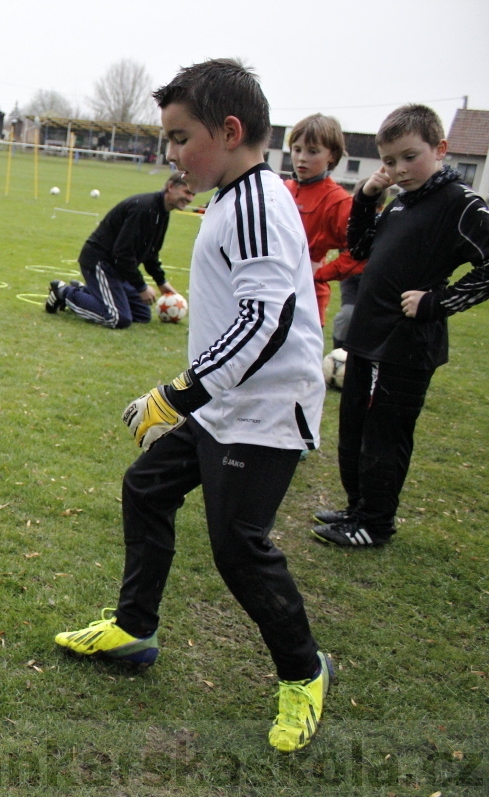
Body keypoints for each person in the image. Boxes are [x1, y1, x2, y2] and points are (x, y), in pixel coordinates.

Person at [54, 59, 332, 754]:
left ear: (229, 130)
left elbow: (265, 323)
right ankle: (135, 628)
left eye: (180, 138)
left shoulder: (262, 204)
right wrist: (194, 395)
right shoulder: (236, 197)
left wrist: (177, 393)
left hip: (266, 412)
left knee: (239, 548)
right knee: (146, 487)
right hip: (225, 402)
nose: (171, 155)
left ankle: (306, 673)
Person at [312, 105, 489, 547]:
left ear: (440, 149)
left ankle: (376, 523)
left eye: (410, 157)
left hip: (405, 346)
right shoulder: (401, 201)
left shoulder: (461, 204)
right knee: (354, 431)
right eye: (390, 161)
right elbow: (359, 247)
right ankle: (358, 508)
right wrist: (368, 200)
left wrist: (438, 301)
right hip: (368, 338)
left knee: (384, 438)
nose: (400, 169)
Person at [45, 175, 195, 328]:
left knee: (141, 314)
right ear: (170, 187)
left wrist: (162, 282)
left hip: (116, 268)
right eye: (187, 192)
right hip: (100, 262)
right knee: (116, 318)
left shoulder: (162, 212)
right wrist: (141, 287)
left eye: (193, 194)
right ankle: (64, 292)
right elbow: (122, 253)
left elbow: (150, 252)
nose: (190, 198)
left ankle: (86, 291)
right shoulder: (144, 208)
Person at [283, 113, 365, 347]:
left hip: (306, 303)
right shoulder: (281, 188)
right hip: (267, 293)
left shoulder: (338, 200)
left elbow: (359, 254)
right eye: (296, 149)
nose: (301, 158)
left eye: (312, 151)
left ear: (332, 155)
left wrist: (319, 274)